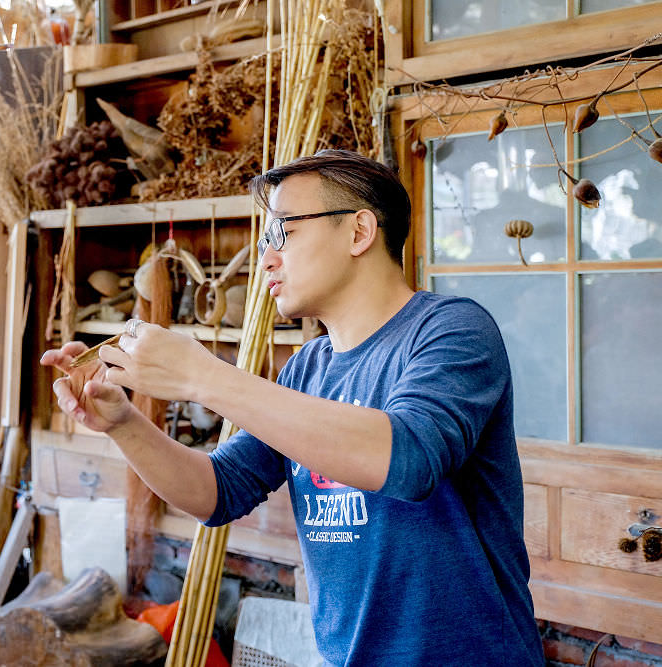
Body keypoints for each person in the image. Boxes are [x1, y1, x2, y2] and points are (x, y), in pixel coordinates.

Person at [41, 149, 545, 666]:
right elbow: (217, 493)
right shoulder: (307, 369)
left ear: (358, 232)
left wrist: (203, 377)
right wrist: (124, 424)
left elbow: (408, 458)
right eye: (265, 240)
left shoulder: (452, 330)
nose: (266, 259)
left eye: (284, 232)